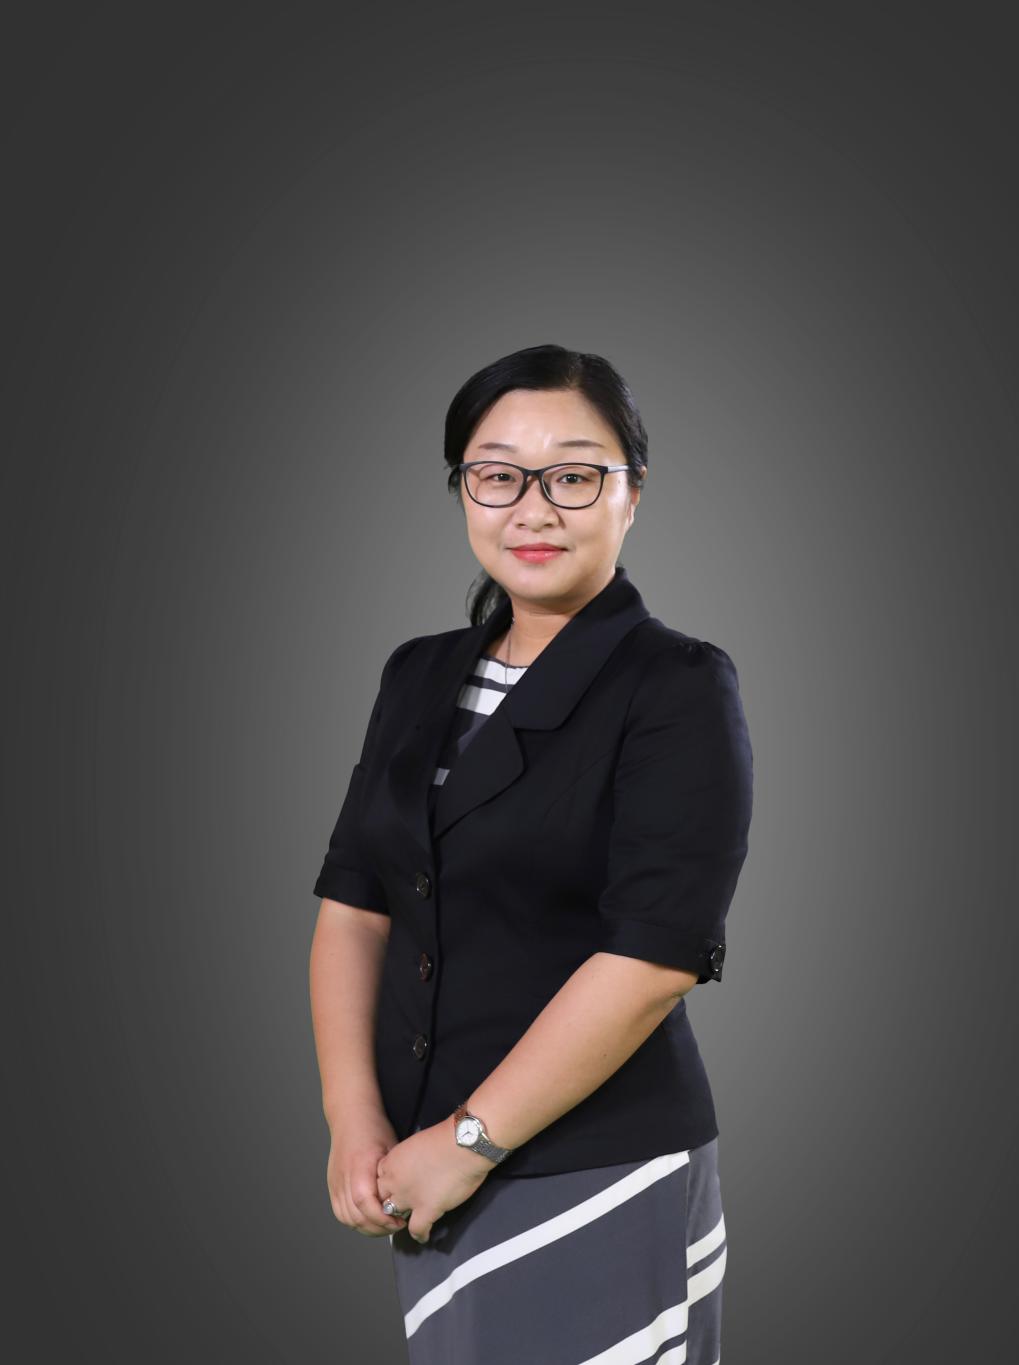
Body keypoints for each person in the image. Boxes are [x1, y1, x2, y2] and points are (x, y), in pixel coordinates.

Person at [309, 343, 754, 1363]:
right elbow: (356, 903)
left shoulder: (676, 684)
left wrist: (468, 1143)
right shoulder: (417, 674)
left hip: (597, 1170)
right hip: (420, 1168)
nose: (533, 509)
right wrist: (353, 1118)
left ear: (631, 493)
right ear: (463, 489)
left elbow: (654, 958)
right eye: (498, 475)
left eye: (573, 476)